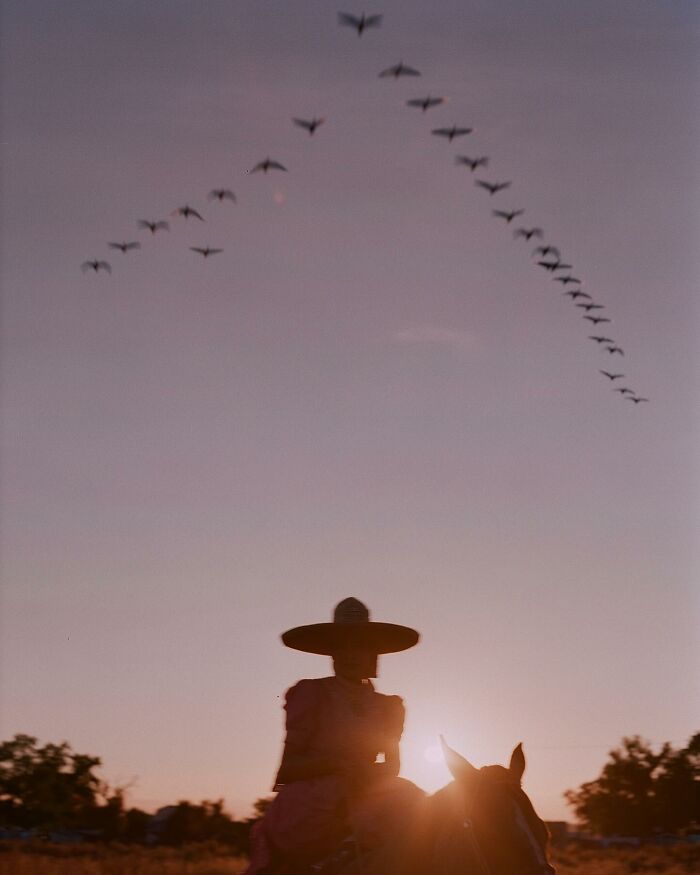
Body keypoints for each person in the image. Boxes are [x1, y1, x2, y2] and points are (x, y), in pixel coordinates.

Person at [244, 597, 426, 874]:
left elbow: (393, 765)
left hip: (369, 793)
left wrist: (367, 775)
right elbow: (288, 768)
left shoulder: (388, 706)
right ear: (332, 654)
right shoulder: (311, 695)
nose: (351, 655)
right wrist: (337, 766)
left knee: (418, 808)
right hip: (312, 802)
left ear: (373, 653)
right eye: (343, 647)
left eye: (360, 647)